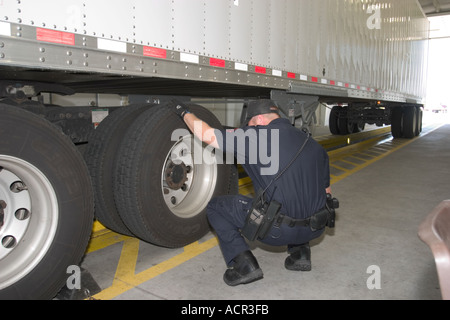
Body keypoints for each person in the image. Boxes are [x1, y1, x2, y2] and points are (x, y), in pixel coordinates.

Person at [170, 99, 332, 286]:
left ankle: (244, 265)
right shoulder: (313, 144)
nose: (249, 129)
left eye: (251, 125)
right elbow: (326, 192)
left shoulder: (255, 136)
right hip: (315, 229)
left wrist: (183, 111)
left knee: (216, 207)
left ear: (260, 120)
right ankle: (300, 254)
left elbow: (206, 134)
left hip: (276, 231)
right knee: (299, 195)